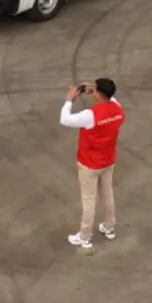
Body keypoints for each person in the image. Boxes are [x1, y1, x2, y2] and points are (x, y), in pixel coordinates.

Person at [60, 78, 125, 251]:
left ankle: (85, 236)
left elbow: (65, 119)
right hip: (108, 160)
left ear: (98, 93)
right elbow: (111, 99)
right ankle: (109, 227)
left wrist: (69, 100)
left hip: (89, 163)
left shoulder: (90, 115)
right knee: (107, 194)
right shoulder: (117, 109)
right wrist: (98, 92)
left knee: (89, 200)